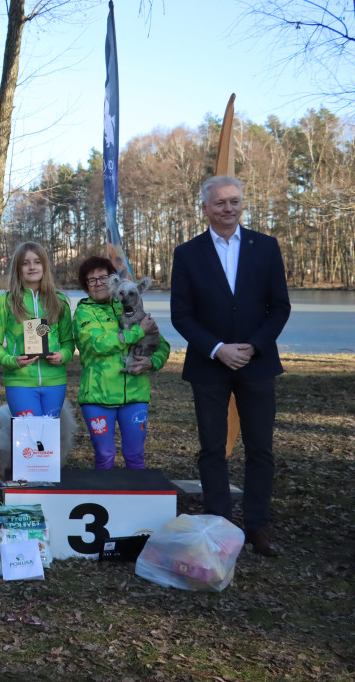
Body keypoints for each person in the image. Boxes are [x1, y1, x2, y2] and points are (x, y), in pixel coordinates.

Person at [170, 175, 291, 557]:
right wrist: (218, 348)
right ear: (205, 208)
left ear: (242, 204)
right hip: (210, 365)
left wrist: (252, 346)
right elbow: (181, 315)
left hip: (257, 364)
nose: (228, 208)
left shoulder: (266, 247)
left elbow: (279, 307)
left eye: (234, 201)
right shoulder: (187, 253)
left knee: (260, 449)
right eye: (220, 203)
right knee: (211, 448)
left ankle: (257, 527)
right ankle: (217, 523)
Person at [73, 256, 170, 469]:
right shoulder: (84, 312)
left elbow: (162, 345)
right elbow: (98, 345)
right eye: (92, 280)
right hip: (98, 396)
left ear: (113, 281)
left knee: (135, 455)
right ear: (85, 286)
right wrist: (138, 331)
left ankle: (138, 502)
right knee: (105, 455)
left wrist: (151, 362)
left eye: (103, 278)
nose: (99, 283)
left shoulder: (131, 304)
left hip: (135, 395)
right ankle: (103, 501)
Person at [0, 241, 74, 418]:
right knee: (28, 437)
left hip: (54, 382)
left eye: (37, 262)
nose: (32, 267)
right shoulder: (6, 301)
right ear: (18, 269)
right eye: (25, 263)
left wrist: (63, 356)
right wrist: (11, 360)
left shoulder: (59, 301)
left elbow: (68, 342)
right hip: (20, 382)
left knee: (48, 438)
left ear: (45, 266)